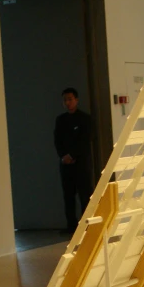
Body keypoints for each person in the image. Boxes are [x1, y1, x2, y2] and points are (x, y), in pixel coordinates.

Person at [53, 87, 93, 234]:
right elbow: (57, 140)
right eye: (65, 100)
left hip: (81, 164)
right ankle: (71, 226)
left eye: (70, 99)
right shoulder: (60, 120)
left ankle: (86, 225)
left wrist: (72, 155)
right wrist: (63, 155)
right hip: (65, 165)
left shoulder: (85, 118)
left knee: (85, 195)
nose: (67, 102)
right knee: (68, 196)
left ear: (76, 100)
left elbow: (84, 141)